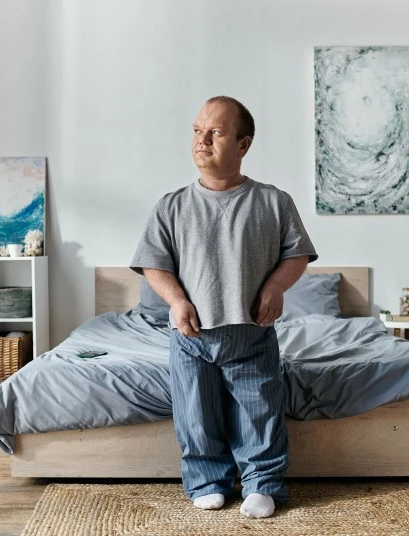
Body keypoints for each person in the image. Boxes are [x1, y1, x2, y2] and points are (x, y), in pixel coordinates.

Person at [130, 96, 317, 519]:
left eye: (215, 132)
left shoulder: (273, 201)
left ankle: (262, 483)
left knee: (261, 411)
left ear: (243, 144)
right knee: (195, 414)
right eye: (198, 131)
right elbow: (152, 264)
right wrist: (176, 300)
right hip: (192, 337)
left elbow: (297, 255)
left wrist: (275, 287)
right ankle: (208, 481)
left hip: (251, 333)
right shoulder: (171, 205)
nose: (202, 140)